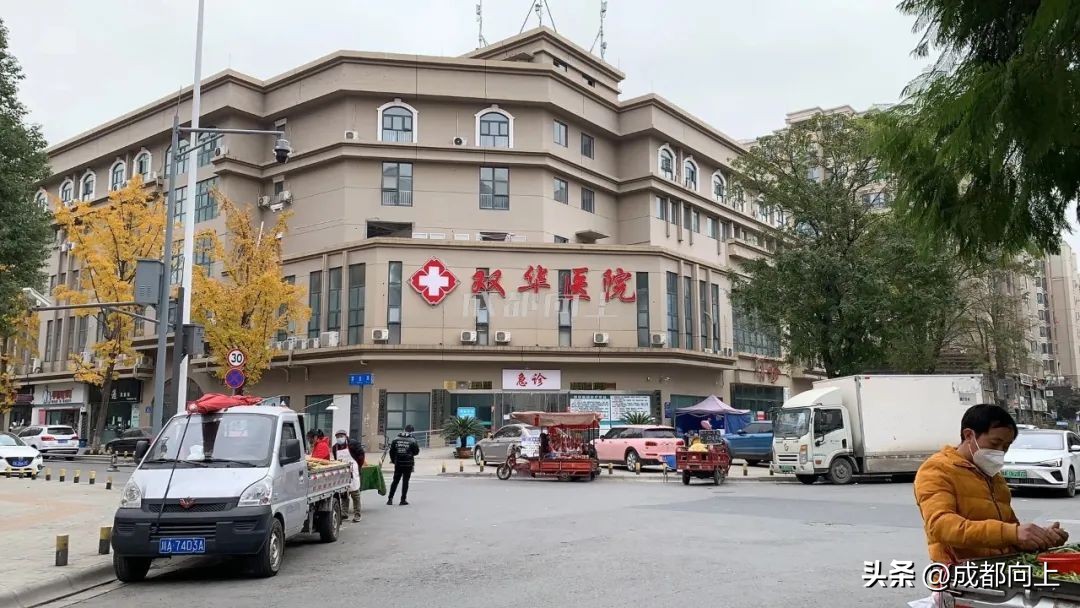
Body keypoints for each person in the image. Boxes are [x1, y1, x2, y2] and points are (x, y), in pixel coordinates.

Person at [914, 403, 1069, 565]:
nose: (1000, 452)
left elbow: (1009, 531)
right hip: (958, 574)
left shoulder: (993, 474)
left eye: (1006, 447)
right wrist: (1013, 533)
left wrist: (1038, 537)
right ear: (969, 435)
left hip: (997, 568)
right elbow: (941, 527)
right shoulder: (937, 469)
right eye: (995, 443)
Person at [332, 430, 365, 522]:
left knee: (355, 494)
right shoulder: (335, 448)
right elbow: (336, 459)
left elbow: (361, 456)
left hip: (353, 471)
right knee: (343, 494)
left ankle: (357, 514)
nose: (339, 438)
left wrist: (358, 466)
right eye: (337, 436)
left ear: (346, 436)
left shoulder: (353, 444)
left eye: (341, 436)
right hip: (342, 472)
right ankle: (344, 513)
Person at [387, 425, 420, 506]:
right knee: (405, 481)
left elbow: (391, 452)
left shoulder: (396, 439)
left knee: (395, 481)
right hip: (408, 464)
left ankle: (390, 499)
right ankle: (403, 500)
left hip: (398, 463)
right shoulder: (412, 440)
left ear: (404, 430)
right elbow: (416, 452)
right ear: (412, 431)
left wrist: (394, 460)